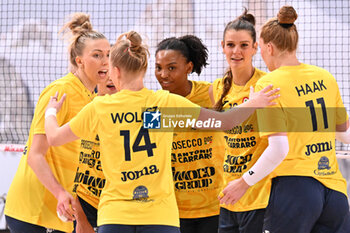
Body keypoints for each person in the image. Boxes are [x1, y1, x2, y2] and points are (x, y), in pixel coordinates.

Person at [44, 30, 278, 233]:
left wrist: (51, 112)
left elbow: (53, 138)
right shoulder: (163, 106)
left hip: (115, 213)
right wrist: (255, 101)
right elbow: (224, 122)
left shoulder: (100, 108)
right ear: (145, 68)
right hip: (159, 216)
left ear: (114, 71)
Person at [223, 5, 350, 233]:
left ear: (269, 48)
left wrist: (244, 182)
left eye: (260, 48)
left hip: (296, 190)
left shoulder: (269, 85)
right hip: (335, 191)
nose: (261, 54)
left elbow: (279, 149)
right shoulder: (325, 77)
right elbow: (345, 134)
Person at [4, 13, 110, 233]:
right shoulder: (61, 91)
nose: (105, 62)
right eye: (97, 55)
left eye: (108, 55)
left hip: (61, 211)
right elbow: (35, 155)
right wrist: (60, 193)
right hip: (34, 209)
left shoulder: (91, 97)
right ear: (79, 60)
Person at [155, 35, 225, 233]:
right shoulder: (155, 104)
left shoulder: (212, 93)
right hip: (173, 209)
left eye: (171, 67)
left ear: (188, 67)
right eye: (158, 67)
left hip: (216, 204)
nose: (163, 75)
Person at [211, 9, 272, 233]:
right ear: (222, 46)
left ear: (256, 47)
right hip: (227, 196)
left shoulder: (267, 83)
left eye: (244, 45)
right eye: (231, 45)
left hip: (259, 196)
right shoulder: (217, 88)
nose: (236, 51)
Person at [73, 75, 117, 233]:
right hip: (84, 202)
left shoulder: (139, 112)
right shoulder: (83, 110)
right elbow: (66, 172)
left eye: (116, 73)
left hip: (117, 206)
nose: (111, 79)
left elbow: (193, 118)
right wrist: (81, 219)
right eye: (106, 73)